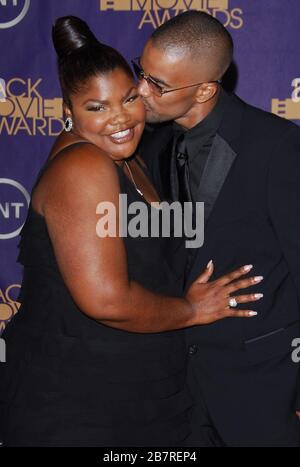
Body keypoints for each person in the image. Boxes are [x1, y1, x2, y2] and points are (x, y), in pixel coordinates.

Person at [0, 16, 261, 447]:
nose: (119, 119)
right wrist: (193, 311)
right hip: (78, 403)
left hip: (130, 391)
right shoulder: (84, 166)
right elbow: (106, 299)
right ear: (68, 113)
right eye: (96, 107)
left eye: (127, 99)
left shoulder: (130, 157)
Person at [137, 11, 300, 447]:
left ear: (206, 89)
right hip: (177, 384)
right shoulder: (147, 144)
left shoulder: (277, 146)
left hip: (264, 381)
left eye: (158, 84)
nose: (140, 92)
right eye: (142, 73)